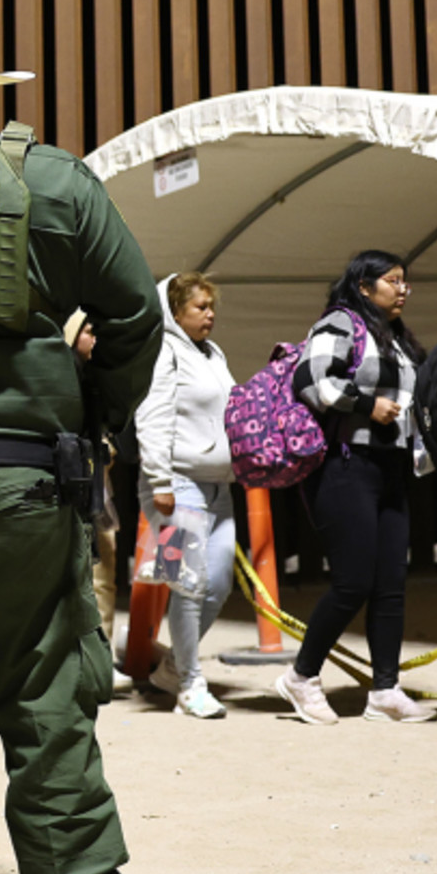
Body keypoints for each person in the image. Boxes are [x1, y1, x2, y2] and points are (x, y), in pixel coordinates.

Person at [0, 76, 162, 874]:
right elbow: (135, 313)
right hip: (21, 482)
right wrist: (94, 407)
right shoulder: (50, 182)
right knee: (46, 690)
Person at [276, 250, 435, 725]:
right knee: (353, 582)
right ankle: (301, 676)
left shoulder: (397, 337)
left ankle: (385, 690)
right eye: (392, 281)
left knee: (391, 585)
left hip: (390, 468)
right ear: (364, 287)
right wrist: (366, 405)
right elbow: (311, 379)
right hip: (347, 468)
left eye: (405, 281)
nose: (403, 289)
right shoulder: (341, 323)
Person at [135, 273, 237, 720]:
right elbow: (152, 416)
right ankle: (191, 684)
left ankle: (174, 668)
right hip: (176, 486)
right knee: (188, 584)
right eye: (200, 307)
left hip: (219, 486)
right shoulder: (163, 353)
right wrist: (159, 482)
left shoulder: (214, 353)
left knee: (219, 582)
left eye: (212, 306)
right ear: (175, 312)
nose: (210, 314)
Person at [63, 310, 131, 694]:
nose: (95, 339)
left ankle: (99, 659)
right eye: (88, 332)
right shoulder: (58, 378)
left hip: (98, 493)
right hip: (65, 494)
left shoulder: (97, 381)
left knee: (103, 576)